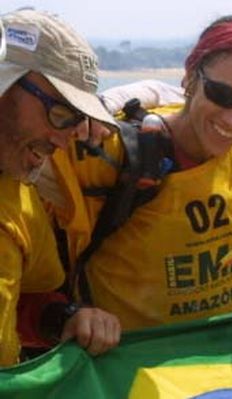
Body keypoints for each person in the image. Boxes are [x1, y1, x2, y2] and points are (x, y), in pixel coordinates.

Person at [41, 14, 232, 331]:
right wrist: (89, 107)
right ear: (190, 77)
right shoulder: (108, 149)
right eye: (221, 95)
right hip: (134, 372)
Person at [0, 9, 121, 366]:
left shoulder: (18, 194)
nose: (64, 139)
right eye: (61, 113)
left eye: (77, 121)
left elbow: (30, 296)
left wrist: (67, 319)